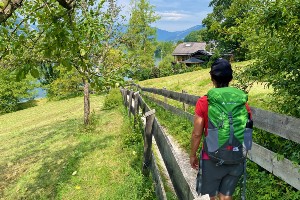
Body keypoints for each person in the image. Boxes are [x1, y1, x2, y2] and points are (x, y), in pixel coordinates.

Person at [190, 58, 252, 200]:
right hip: (236, 155)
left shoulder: (205, 101)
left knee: (211, 195)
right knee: (226, 196)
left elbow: (197, 134)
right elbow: (247, 127)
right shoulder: (242, 102)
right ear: (231, 78)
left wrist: (192, 155)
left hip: (211, 156)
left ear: (212, 78)